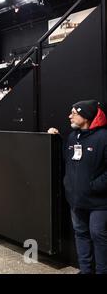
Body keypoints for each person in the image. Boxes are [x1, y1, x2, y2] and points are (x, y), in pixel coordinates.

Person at [48, 99, 107, 274]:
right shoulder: (73, 137)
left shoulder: (103, 137)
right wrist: (56, 137)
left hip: (99, 202)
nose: (69, 116)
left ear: (86, 115)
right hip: (76, 200)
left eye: (74, 113)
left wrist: (93, 186)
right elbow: (68, 160)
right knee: (80, 234)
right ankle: (85, 270)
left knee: (98, 235)